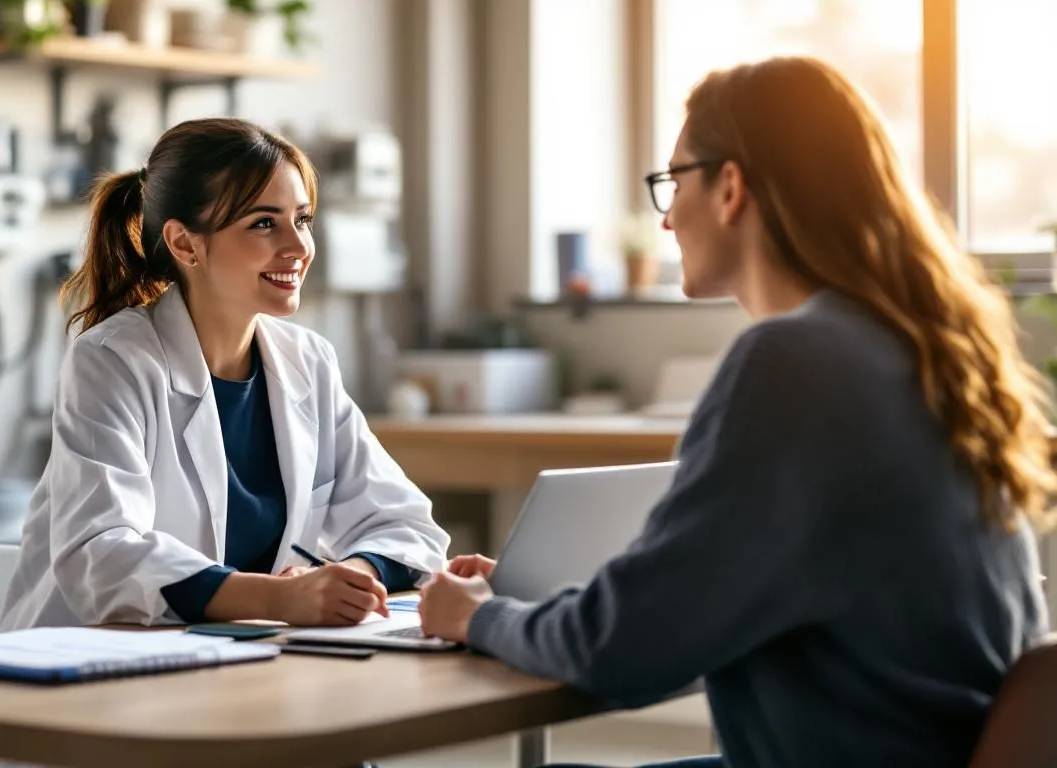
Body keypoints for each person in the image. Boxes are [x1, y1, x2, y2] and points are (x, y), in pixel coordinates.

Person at [418, 55, 1054, 768]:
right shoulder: (926, 350)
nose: (664, 220)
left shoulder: (795, 362)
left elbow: (626, 653)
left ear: (729, 187)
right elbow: (683, 603)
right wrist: (546, 604)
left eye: (672, 182)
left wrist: (478, 616)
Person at [0, 117, 451, 635]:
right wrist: (282, 598)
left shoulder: (310, 362)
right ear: (186, 245)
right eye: (263, 223)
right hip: (83, 666)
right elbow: (103, 555)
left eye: (302, 220)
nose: (299, 248)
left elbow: (406, 523)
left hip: (234, 658)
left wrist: (352, 578)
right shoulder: (114, 359)